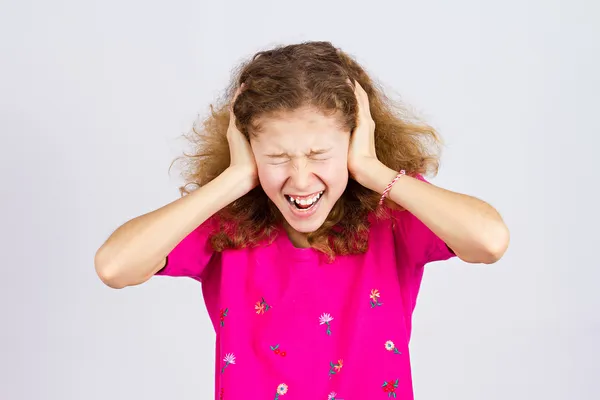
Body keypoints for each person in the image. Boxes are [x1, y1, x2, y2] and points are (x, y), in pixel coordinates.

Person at [95, 41, 509, 400]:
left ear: (356, 140)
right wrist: (235, 179)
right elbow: (115, 267)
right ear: (247, 148)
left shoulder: (392, 213)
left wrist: (370, 168)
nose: (299, 178)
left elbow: (489, 241)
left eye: (319, 155)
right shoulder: (228, 222)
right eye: (276, 157)